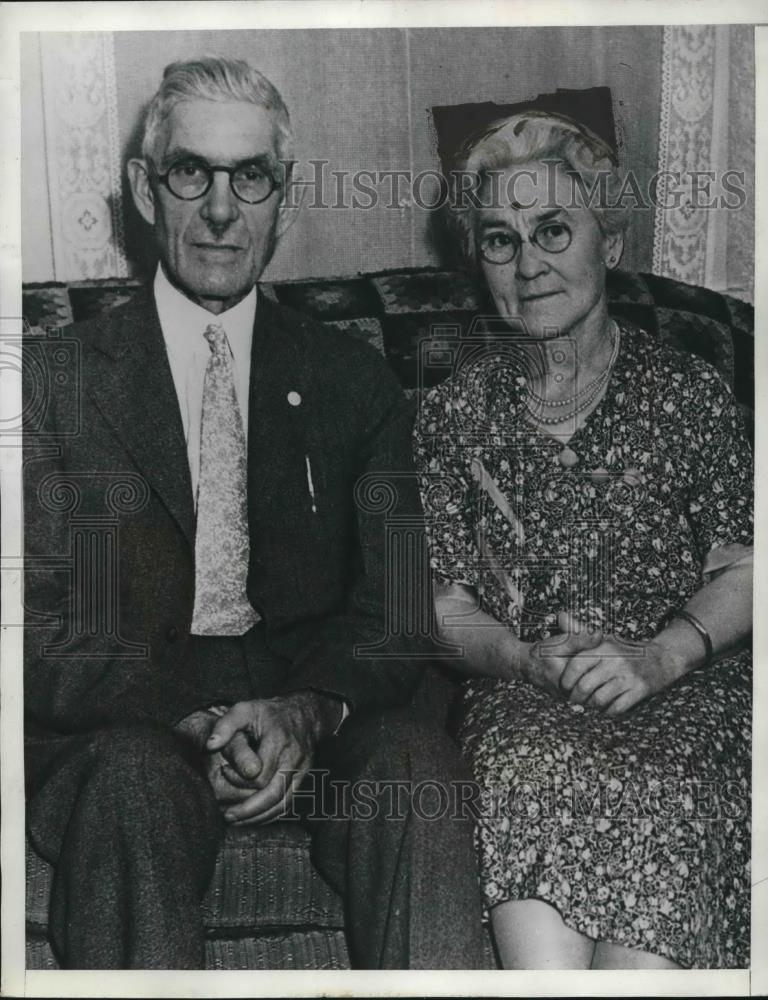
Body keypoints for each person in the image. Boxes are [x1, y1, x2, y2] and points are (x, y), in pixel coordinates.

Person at [23, 56, 486, 970]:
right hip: (132, 722)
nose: (222, 211)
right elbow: (35, 624)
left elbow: (392, 612)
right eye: (191, 172)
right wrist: (198, 711)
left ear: (287, 195)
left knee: (414, 770)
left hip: (310, 707)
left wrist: (308, 713)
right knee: (129, 788)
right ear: (144, 191)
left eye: (251, 177)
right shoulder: (53, 385)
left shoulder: (355, 381)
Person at [412, 110, 752, 969]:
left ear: (609, 237)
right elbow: (440, 599)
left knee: (673, 791)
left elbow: (749, 563)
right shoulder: (452, 413)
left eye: (553, 230)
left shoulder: (690, 392)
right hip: (526, 697)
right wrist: (526, 661)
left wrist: (662, 655)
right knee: (522, 767)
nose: (528, 265)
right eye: (499, 240)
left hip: (686, 690)